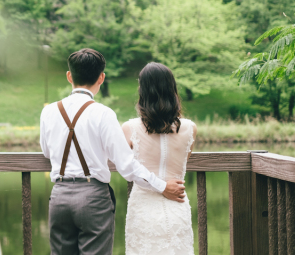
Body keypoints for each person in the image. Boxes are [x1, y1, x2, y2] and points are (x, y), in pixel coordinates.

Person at [40, 49, 186, 255]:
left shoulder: (49, 111)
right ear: (101, 77)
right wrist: (162, 186)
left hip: (59, 196)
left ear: (69, 76)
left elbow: (47, 152)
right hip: (92, 197)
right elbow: (126, 166)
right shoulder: (103, 113)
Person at [122, 62, 197, 255]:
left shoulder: (130, 128)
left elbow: (126, 168)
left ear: (143, 91)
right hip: (177, 204)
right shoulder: (190, 128)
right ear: (172, 90)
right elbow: (185, 159)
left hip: (143, 208)